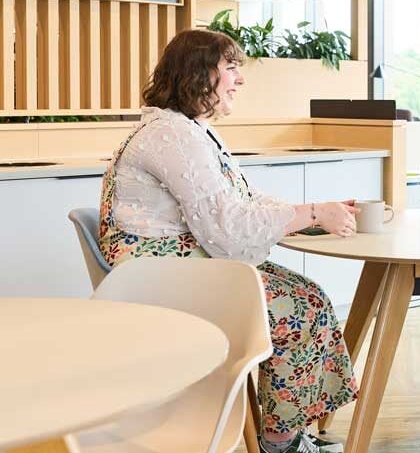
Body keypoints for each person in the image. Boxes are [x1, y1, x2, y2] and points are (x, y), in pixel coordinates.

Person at [99, 29, 358, 453]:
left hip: (178, 268)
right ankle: (281, 443)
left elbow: (239, 201)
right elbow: (228, 228)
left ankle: (284, 432)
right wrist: (311, 213)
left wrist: (311, 212)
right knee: (303, 309)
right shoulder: (173, 137)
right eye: (232, 68)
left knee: (310, 296)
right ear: (199, 75)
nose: (240, 79)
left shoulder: (185, 130)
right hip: (162, 281)